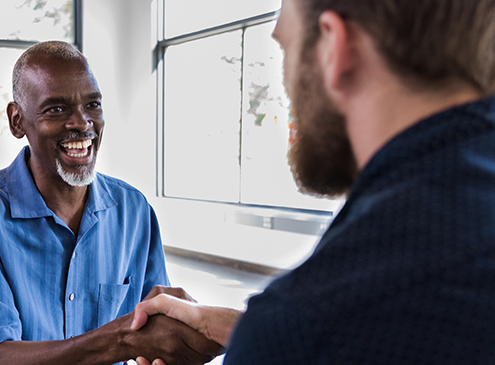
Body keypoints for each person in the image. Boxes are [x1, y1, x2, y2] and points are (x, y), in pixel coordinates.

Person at [132, 0, 495, 363]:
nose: (286, 89)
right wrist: (242, 328)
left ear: (336, 48)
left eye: (285, 49)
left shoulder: (304, 325)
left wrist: (265, 338)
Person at [0, 41, 221, 365]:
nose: (82, 123)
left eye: (93, 105)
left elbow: (154, 334)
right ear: (17, 121)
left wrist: (180, 333)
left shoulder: (134, 211)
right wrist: (123, 339)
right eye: (56, 109)